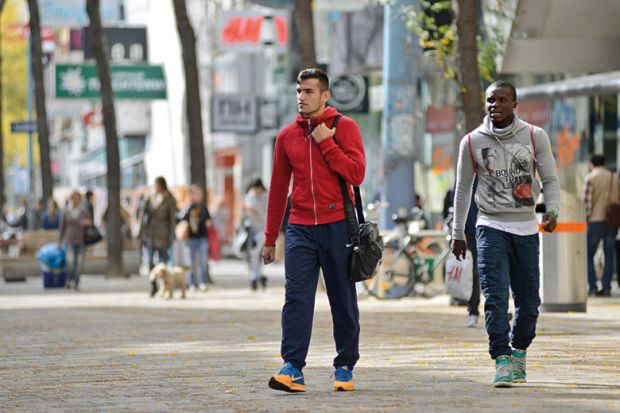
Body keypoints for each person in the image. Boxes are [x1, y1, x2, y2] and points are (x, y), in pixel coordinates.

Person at [262, 68, 366, 393]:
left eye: (308, 91)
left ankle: (345, 366)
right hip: (300, 229)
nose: (301, 97)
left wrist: (328, 145)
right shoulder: (285, 137)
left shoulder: (345, 128)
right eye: (298, 91)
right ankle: (292, 367)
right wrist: (269, 239)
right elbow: (278, 190)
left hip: (338, 227)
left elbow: (357, 174)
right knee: (296, 298)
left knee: (342, 299)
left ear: (325, 95)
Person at [451, 81, 560, 387]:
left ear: (514, 105)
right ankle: (501, 358)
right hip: (489, 226)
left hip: (525, 228)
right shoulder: (471, 141)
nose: (494, 105)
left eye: (501, 100)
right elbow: (462, 190)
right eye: (490, 100)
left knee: (529, 303)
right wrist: (457, 231)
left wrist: (552, 211)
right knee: (495, 298)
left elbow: (550, 179)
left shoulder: (534, 136)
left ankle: (519, 350)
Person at [584, 154, 619, 297]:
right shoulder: (614, 177)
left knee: (588, 254)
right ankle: (606, 287)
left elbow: (587, 203)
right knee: (609, 254)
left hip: (595, 221)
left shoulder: (590, 178)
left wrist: (586, 218)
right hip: (612, 222)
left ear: (592, 163)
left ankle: (592, 286)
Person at [138, 177, 177, 297]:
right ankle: (153, 285)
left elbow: (172, 219)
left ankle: (163, 286)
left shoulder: (169, 199)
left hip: (163, 234)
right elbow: (142, 215)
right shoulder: (149, 197)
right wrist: (140, 232)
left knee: (162, 263)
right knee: (149, 260)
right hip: (150, 234)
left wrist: (172, 234)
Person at [179, 184, 213, 292]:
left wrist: (207, 222)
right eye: (197, 194)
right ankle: (192, 283)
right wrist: (188, 207)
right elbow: (181, 219)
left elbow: (208, 221)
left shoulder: (203, 207)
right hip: (190, 239)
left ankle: (202, 283)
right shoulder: (186, 207)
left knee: (202, 262)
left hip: (202, 238)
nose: (199, 196)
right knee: (191, 263)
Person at [58, 191, 91, 290]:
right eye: (74, 198)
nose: (76, 200)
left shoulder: (83, 212)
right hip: (69, 240)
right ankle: (69, 279)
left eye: (78, 198)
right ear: (71, 199)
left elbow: (90, 224)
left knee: (80, 264)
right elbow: (62, 227)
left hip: (81, 240)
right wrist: (60, 240)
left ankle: (76, 282)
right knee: (70, 263)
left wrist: (87, 223)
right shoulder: (66, 212)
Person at [241, 178, 268, 291]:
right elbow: (243, 214)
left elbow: (265, 215)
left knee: (254, 253)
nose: (256, 191)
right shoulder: (249, 196)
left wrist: (254, 209)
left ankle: (254, 278)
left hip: (262, 230)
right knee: (251, 256)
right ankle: (259, 277)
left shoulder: (265, 198)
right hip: (250, 230)